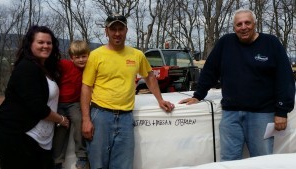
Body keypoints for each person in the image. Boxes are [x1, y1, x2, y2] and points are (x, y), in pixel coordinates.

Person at [179, 8, 295, 161]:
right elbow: (210, 70)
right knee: (229, 159)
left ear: (254, 23)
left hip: (261, 114)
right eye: (239, 24)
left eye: (247, 22)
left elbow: (285, 78)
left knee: (261, 160)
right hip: (231, 114)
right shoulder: (225, 43)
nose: (243, 27)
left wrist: (282, 111)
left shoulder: (271, 43)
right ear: (234, 28)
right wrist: (198, 95)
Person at [80, 13, 175, 169]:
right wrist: (86, 119)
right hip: (100, 116)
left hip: (125, 117)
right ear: (106, 31)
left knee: (123, 165)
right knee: (97, 164)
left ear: (126, 30)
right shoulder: (95, 56)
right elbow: (86, 87)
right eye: (113, 29)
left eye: (120, 29)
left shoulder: (137, 55)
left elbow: (150, 77)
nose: (117, 33)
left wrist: (160, 100)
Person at [0, 25, 69, 169]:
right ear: (30, 44)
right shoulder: (26, 68)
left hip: (39, 140)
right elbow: (37, 108)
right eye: (40, 42)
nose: (46, 46)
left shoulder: (46, 69)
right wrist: (62, 120)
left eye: (49, 43)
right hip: (17, 135)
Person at [52, 40, 90, 169]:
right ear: (71, 57)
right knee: (61, 128)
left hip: (74, 103)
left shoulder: (89, 69)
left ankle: (82, 155)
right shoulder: (65, 65)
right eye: (77, 57)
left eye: (84, 56)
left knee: (79, 121)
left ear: (88, 55)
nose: (80, 60)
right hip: (59, 103)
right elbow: (51, 63)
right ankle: (57, 161)